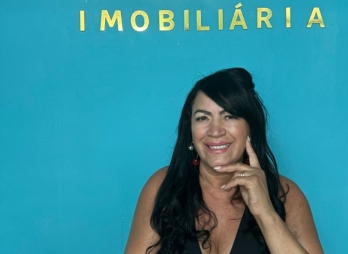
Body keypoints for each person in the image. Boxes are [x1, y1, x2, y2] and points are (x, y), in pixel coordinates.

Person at [124, 68, 324, 254]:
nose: (215, 131)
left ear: (250, 127)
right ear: (190, 130)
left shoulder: (286, 194)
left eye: (229, 116)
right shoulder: (163, 186)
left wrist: (265, 213)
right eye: (203, 118)